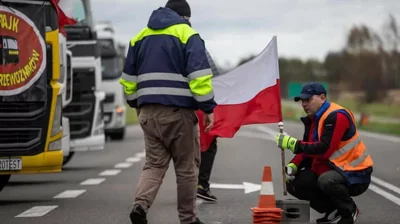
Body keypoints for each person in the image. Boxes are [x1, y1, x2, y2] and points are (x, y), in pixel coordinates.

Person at [119, 0, 217, 223]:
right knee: (186, 169)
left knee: (153, 165)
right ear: (184, 17)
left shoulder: (139, 37)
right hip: (178, 114)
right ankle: (188, 219)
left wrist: (137, 104)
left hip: (147, 113)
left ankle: (140, 206)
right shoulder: (188, 34)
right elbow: (199, 78)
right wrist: (208, 108)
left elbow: (128, 81)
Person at [275, 82, 373, 224]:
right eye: (302, 100)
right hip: (337, 168)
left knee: (326, 181)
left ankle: (348, 211)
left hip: (356, 173)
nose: (304, 104)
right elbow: (308, 147)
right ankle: (334, 210)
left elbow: (324, 150)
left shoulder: (336, 116)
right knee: (293, 182)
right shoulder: (315, 118)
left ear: (322, 97)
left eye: (308, 100)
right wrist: (293, 166)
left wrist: (293, 144)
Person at [196, 49, 220, 202]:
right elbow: (214, 75)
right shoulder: (194, 44)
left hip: (165, 105)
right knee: (208, 141)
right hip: (196, 103)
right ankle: (201, 185)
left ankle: (143, 198)